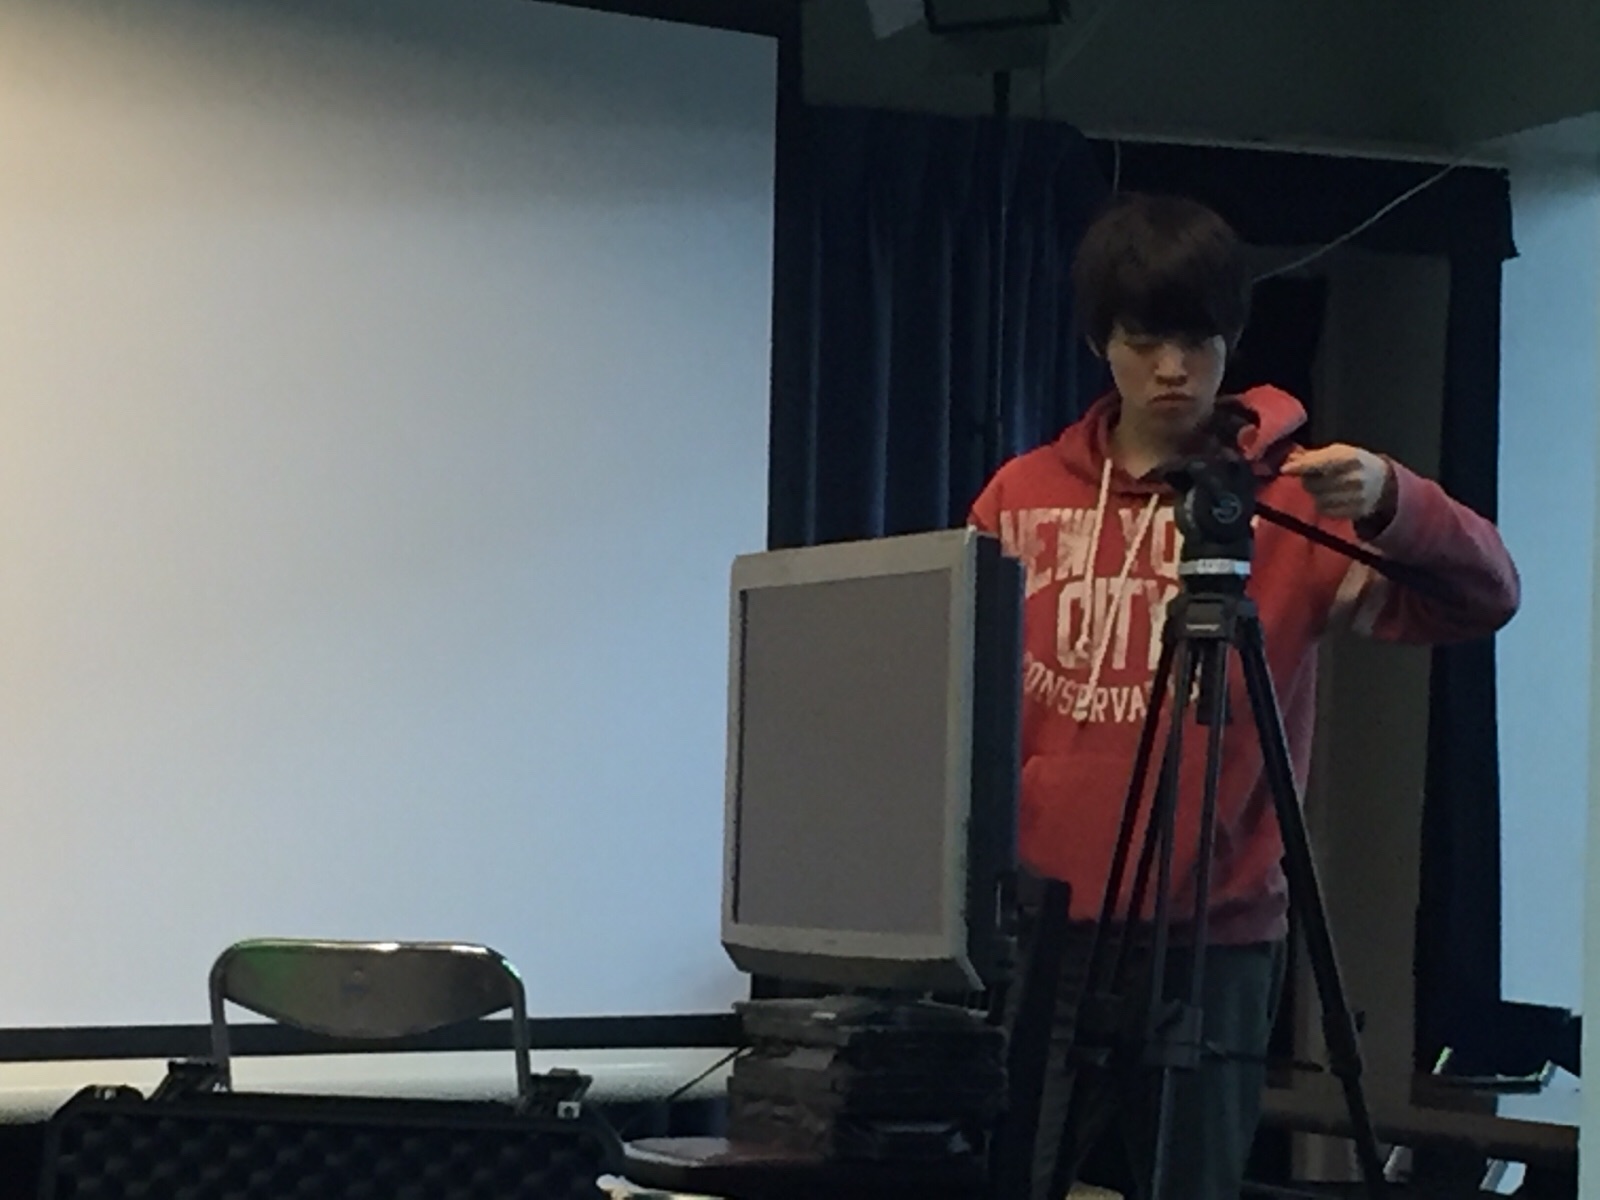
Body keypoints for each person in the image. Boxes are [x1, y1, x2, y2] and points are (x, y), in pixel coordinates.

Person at [969, 193, 1520, 1200]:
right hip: (1043, 930)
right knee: (1012, 1175)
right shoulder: (1020, 497)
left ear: (1230, 338)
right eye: (1145, 341)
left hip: (1214, 934)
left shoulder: (1288, 499)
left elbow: (1485, 596)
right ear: (1100, 343)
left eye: (1197, 340)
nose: (1173, 368)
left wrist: (1396, 500)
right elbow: (956, 697)